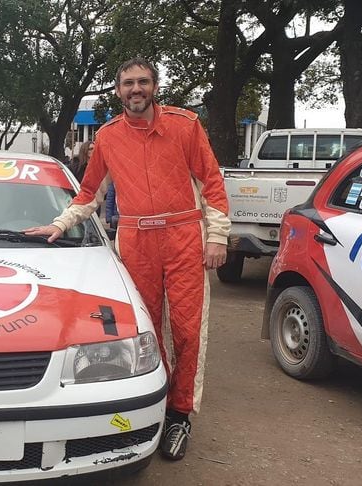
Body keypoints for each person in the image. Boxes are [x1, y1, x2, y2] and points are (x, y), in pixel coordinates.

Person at [25, 56, 230, 461]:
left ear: (155, 86)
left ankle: (180, 414)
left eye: (143, 82)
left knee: (188, 332)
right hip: (135, 240)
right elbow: (88, 193)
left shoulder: (185, 125)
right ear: (117, 91)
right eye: (128, 84)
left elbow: (211, 180)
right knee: (146, 333)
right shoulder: (107, 136)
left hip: (184, 234)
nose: (136, 89)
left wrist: (218, 235)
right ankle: (152, 405)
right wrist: (60, 224)